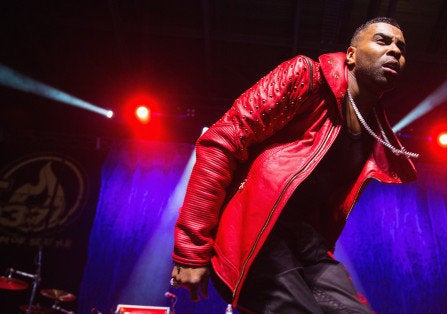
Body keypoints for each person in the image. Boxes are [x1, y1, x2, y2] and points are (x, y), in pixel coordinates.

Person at [169, 17, 418, 313]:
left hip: (306, 245)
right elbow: (219, 144)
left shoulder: (372, 128)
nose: (395, 51)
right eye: (383, 41)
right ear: (351, 55)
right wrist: (190, 250)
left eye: (401, 47)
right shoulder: (306, 77)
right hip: (255, 233)